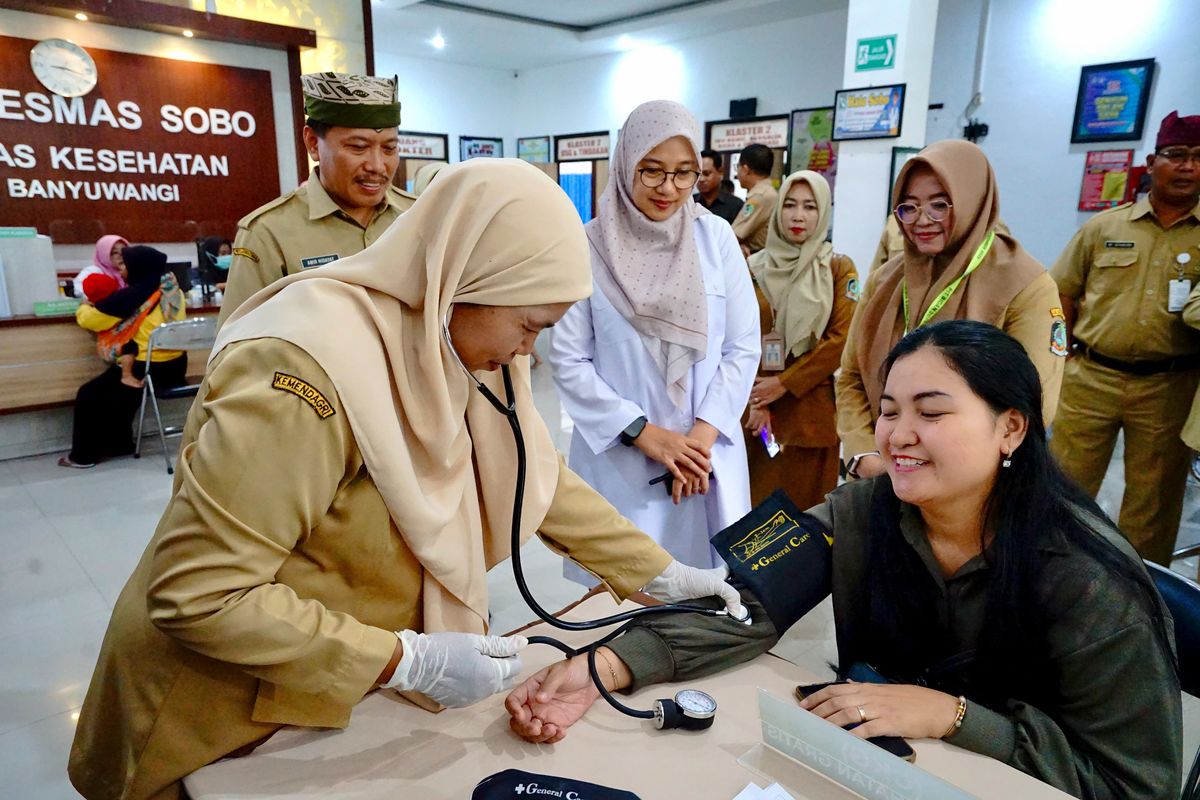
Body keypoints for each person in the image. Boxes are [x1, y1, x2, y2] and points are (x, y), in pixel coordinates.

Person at [67, 160, 745, 800]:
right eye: (528, 326)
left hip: (333, 680)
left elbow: (533, 475)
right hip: (219, 700)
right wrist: (404, 661)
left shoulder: (456, 338)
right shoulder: (302, 373)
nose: (526, 352)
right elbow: (201, 594)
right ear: (463, 277)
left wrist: (661, 573)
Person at [508, 320, 1182, 800]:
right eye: (889, 412)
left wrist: (949, 715)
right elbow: (748, 605)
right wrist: (608, 666)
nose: (898, 436)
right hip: (876, 769)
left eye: (932, 412)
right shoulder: (864, 511)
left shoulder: (1088, 581)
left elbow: (1131, 784)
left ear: (1011, 427)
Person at [546, 100, 760, 584]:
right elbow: (569, 359)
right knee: (627, 599)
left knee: (710, 600)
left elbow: (742, 345)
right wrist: (644, 433)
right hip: (625, 462)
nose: (670, 189)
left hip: (706, 459)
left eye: (685, 174)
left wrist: (701, 438)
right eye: (652, 172)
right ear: (626, 164)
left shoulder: (716, 238)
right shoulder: (587, 246)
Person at [837, 140, 1063, 481]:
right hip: (882, 475)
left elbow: (1033, 404)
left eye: (939, 205)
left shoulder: (1025, 285)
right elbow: (851, 376)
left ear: (972, 201)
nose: (921, 220)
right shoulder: (885, 280)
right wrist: (865, 455)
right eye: (909, 207)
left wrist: (935, 469)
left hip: (974, 486)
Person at [1050, 110, 1200, 566]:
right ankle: (1053, 570)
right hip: (1091, 378)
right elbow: (1062, 290)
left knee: (1152, 503)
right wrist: (1066, 353)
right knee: (1063, 485)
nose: (1188, 166)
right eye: (1176, 155)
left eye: (1198, 157)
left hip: (1168, 386)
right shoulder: (1104, 227)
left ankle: (1141, 592)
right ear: (1152, 161)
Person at [217, 72, 416, 325]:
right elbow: (237, 349)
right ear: (313, 143)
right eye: (358, 147)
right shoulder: (269, 233)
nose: (377, 166)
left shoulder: (420, 215)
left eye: (389, 148)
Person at [744, 170, 857, 508]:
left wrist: (783, 383)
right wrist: (757, 399)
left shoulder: (838, 268)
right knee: (754, 517)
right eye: (790, 205)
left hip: (810, 414)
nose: (797, 215)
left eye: (810, 207)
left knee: (806, 518)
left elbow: (840, 340)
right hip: (757, 415)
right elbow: (737, 337)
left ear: (823, 213)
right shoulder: (753, 267)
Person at [59, 246, 187, 469]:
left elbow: (93, 320)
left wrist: (83, 307)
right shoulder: (173, 290)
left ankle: (82, 456)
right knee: (122, 393)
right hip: (175, 368)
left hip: (147, 368)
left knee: (89, 394)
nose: (122, 271)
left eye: (125, 266)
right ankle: (121, 444)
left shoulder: (133, 296)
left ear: (138, 268)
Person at [79, 272, 141, 389]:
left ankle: (126, 375)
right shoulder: (118, 303)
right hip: (125, 348)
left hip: (112, 349)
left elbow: (85, 320)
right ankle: (126, 375)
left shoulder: (99, 310)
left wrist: (83, 306)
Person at [732, 142, 778, 256]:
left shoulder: (760, 197)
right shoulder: (768, 193)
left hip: (757, 258)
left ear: (746, 169)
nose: (737, 173)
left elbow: (734, 235)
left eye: (737, 167)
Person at [694, 148, 743, 224]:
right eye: (697, 174)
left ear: (720, 172)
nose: (701, 179)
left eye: (706, 174)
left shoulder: (735, 205)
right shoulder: (690, 203)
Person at [72, 234, 128, 298]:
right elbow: (77, 288)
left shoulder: (133, 270)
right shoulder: (94, 271)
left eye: (124, 251)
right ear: (104, 255)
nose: (121, 256)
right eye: (115, 252)